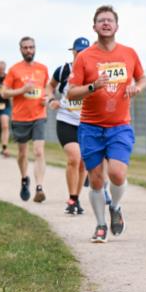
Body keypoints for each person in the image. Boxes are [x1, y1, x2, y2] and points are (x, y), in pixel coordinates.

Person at [66, 5, 146, 243]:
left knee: (117, 174)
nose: (105, 23)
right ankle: (101, 225)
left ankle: (116, 207)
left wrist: (137, 88)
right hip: (91, 126)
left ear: (116, 26)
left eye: (109, 20)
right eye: (101, 20)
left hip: (120, 125)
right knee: (97, 178)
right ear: (94, 26)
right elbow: (71, 93)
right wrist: (93, 87)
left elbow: (142, 78)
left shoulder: (129, 53)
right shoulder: (84, 57)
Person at [46, 37, 90, 215]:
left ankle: (76, 199)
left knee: (83, 164)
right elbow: (49, 86)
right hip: (66, 120)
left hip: (86, 122)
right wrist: (51, 99)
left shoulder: (93, 71)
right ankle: (72, 198)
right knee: (74, 157)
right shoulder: (64, 70)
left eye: (84, 52)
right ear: (73, 52)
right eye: (78, 51)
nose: (80, 55)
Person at [3, 37, 50, 202]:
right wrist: (22, 90)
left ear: (35, 48)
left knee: (38, 151)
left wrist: (47, 98)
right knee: (22, 153)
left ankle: (39, 188)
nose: (29, 50)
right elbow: (4, 93)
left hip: (39, 115)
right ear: (21, 50)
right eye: (25, 48)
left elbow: (47, 89)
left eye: (31, 47)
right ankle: (24, 179)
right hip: (20, 117)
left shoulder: (43, 69)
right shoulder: (14, 70)